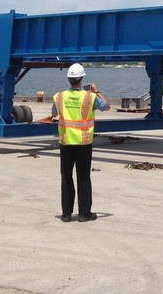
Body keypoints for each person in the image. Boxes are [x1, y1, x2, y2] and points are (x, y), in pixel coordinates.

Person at [51, 63, 109, 222]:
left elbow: (54, 113)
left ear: (69, 79)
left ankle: (66, 214)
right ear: (82, 79)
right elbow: (106, 106)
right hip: (83, 142)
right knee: (83, 177)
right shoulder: (90, 97)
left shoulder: (59, 96)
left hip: (66, 141)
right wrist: (97, 91)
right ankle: (84, 213)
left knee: (66, 177)